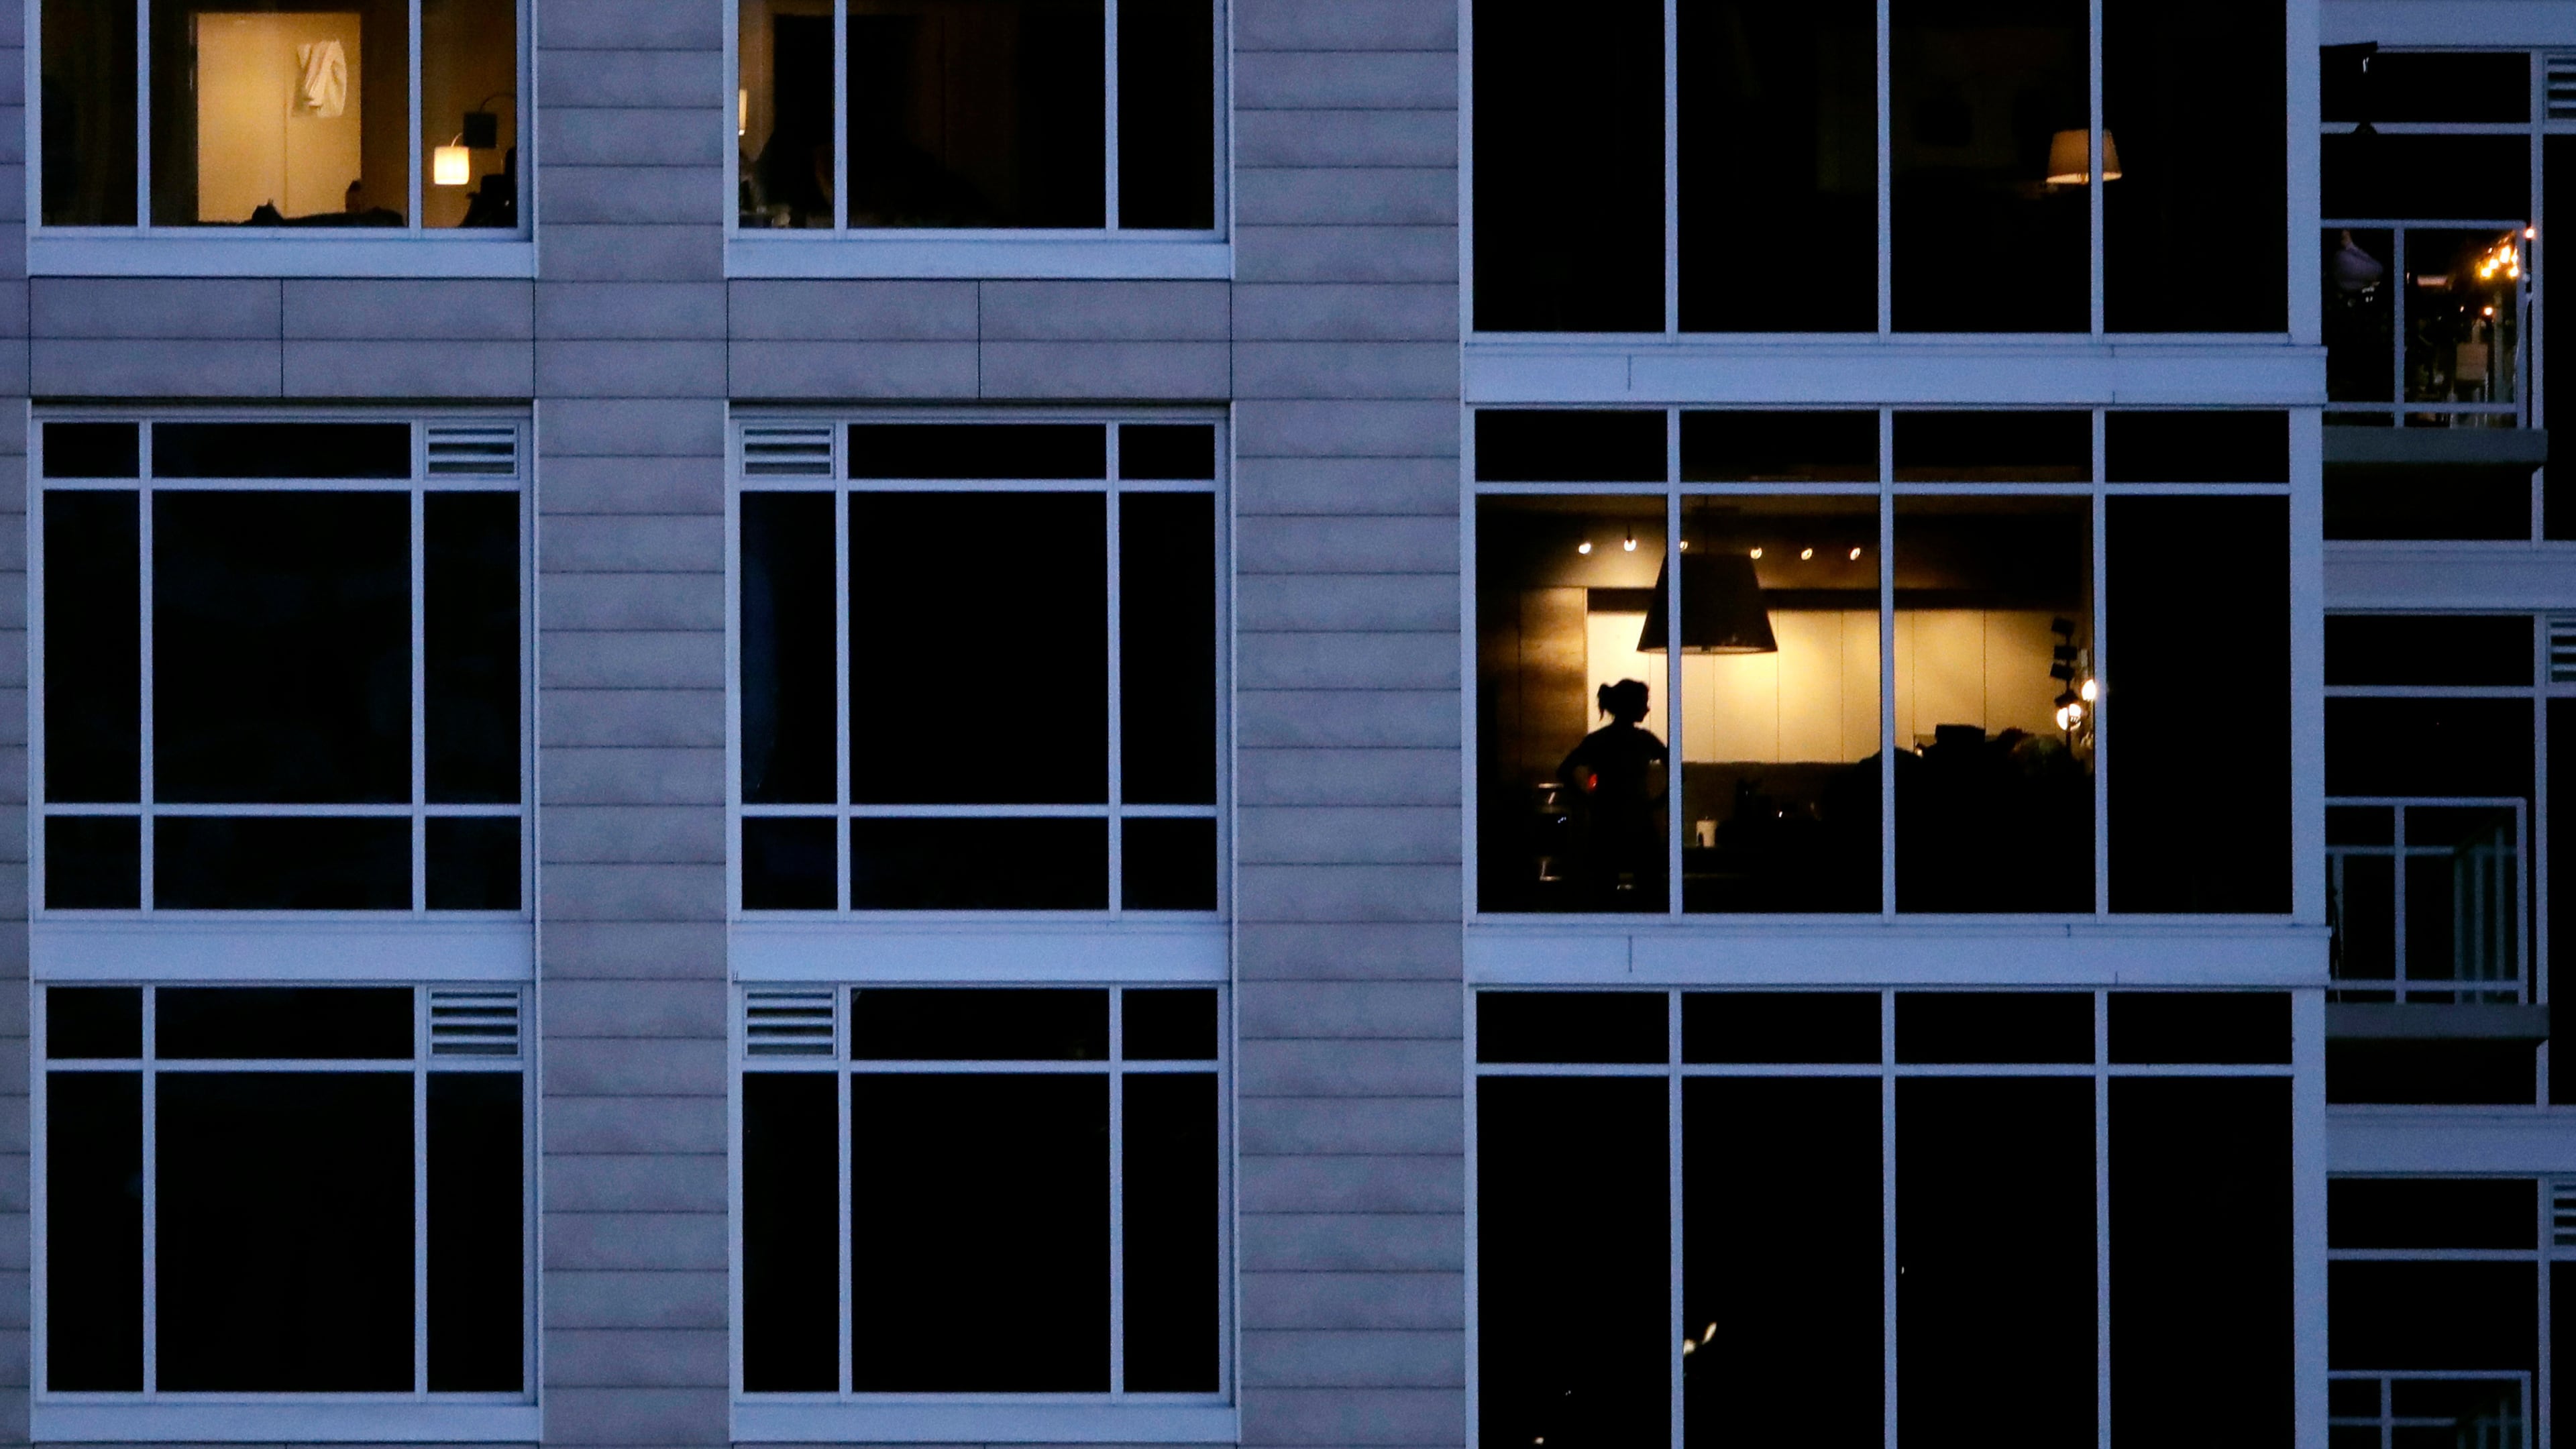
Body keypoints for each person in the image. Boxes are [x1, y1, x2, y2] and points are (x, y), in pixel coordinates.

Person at [1557, 679, 1668, 907]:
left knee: (1604, 897)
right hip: (1639, 824)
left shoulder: (1598, 741)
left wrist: (1587, 800)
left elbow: (1564, 771)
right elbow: (1678, 772)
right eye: (1644, 703)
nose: (1647, 709)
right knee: (1652, 896)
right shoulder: (1644, 740)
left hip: (1605, 825)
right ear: (1632, 707)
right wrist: (1660, 801)